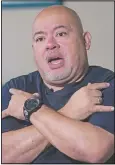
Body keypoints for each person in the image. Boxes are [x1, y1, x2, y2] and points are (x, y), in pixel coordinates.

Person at [2, 5, 114, 164]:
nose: (50, 44)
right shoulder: (16, 89)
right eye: (40, 38)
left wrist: (29, 109)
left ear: (86, 41)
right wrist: (70, 112)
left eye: (61, 34)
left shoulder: (107, 83)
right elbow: (4, 154)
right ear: (34, 49)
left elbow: (95, 150)